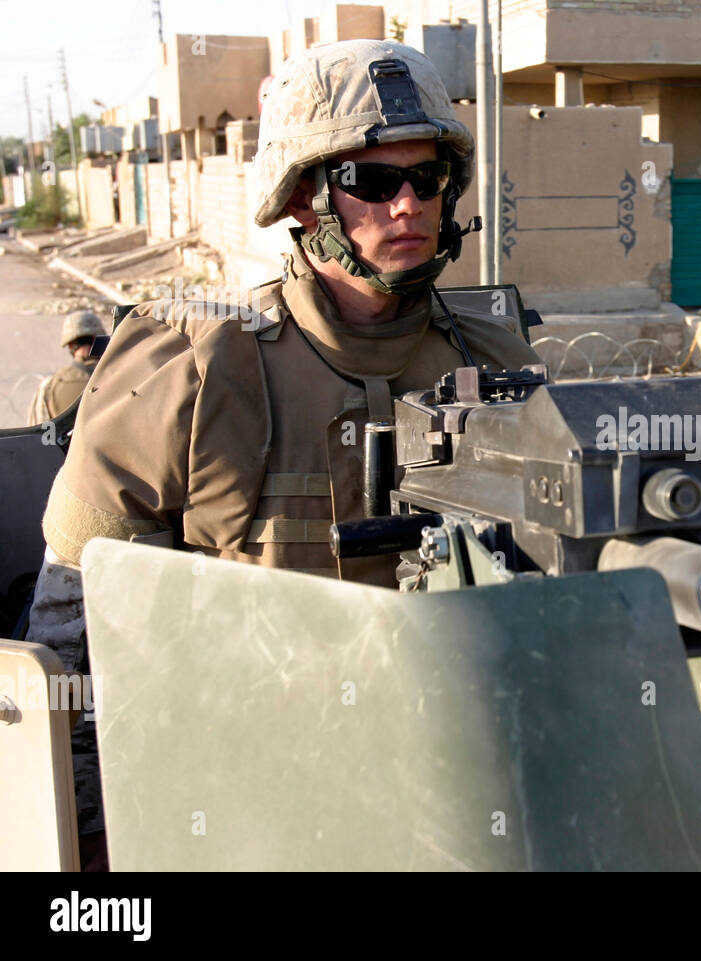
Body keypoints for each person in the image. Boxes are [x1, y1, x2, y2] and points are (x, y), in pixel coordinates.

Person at [26, 38, 542, 870]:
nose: (407, 204)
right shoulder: (190, 362)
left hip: (442, 785)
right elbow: (74, 623)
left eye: (427, 178)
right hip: (233, 798)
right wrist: (87, 827)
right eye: (373, 182)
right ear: (305, 198)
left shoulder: (494, 361)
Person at [26, 310, 106, 426]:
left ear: (70, 345)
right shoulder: (120, 378)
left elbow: (36, 434)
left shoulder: (49, 386)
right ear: (99, 340)